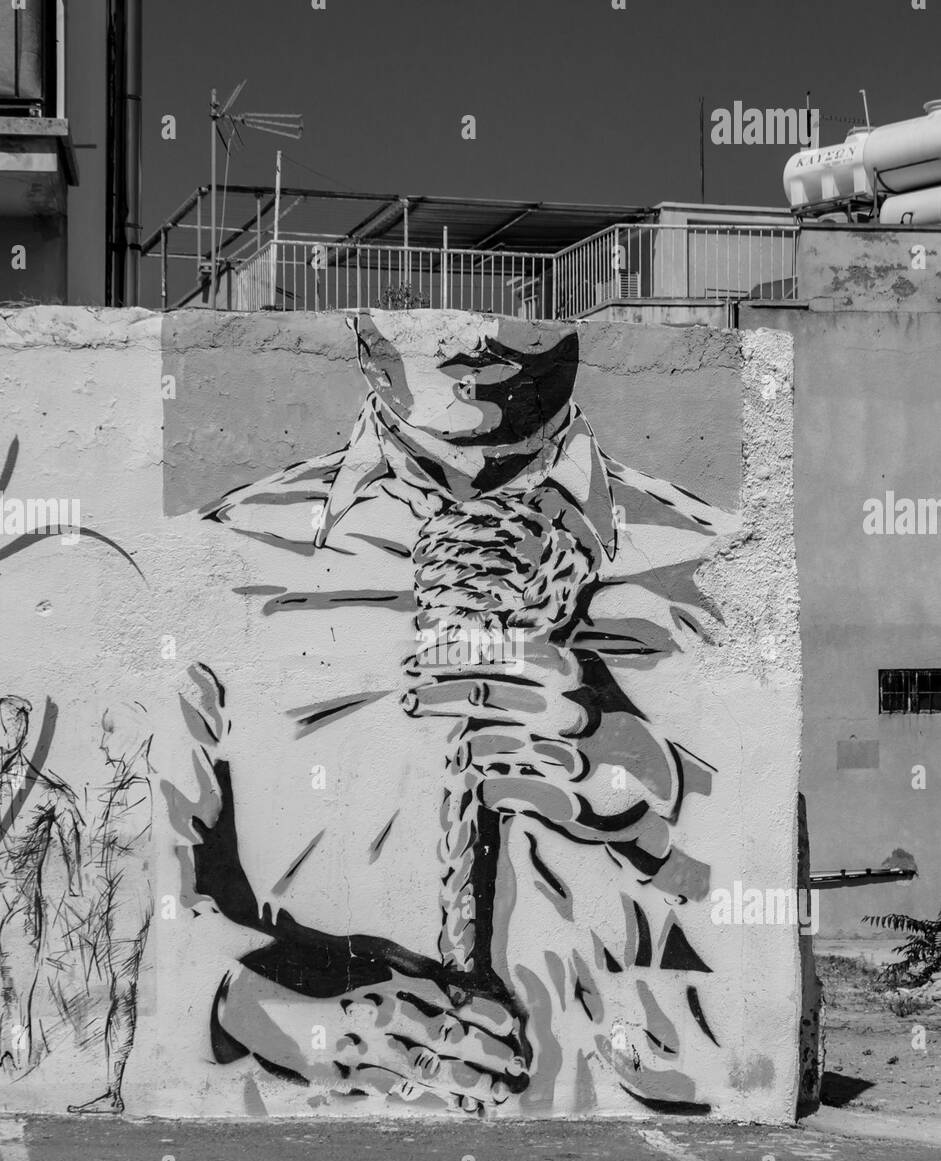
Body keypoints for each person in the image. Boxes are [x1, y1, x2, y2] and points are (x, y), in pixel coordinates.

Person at [174, 310, 741, 1115]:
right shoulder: (225, 560)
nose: (476, 332)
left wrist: (667, 797)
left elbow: (775, 900)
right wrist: (253, 1007)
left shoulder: (718, 567)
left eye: (522, 287)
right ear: (362, 323)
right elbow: (155, 891)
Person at [69, 704, 153, 1115]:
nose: (102, 743)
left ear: (132, 735)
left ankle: (113, 1091)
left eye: (109, 733)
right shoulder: (126, 787)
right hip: (117, 906)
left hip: (127, 907)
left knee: (123, 992)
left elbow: (126, 849)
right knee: (119, 993)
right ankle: (112, 1088)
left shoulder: (139, 789)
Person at [0, 695, 84, 1074]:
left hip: (18, 913)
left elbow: (73, 844)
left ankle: (15, 1059)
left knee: (16, 993)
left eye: (8, 727)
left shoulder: (50, 793)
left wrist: (77, 891)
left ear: (22, 730)